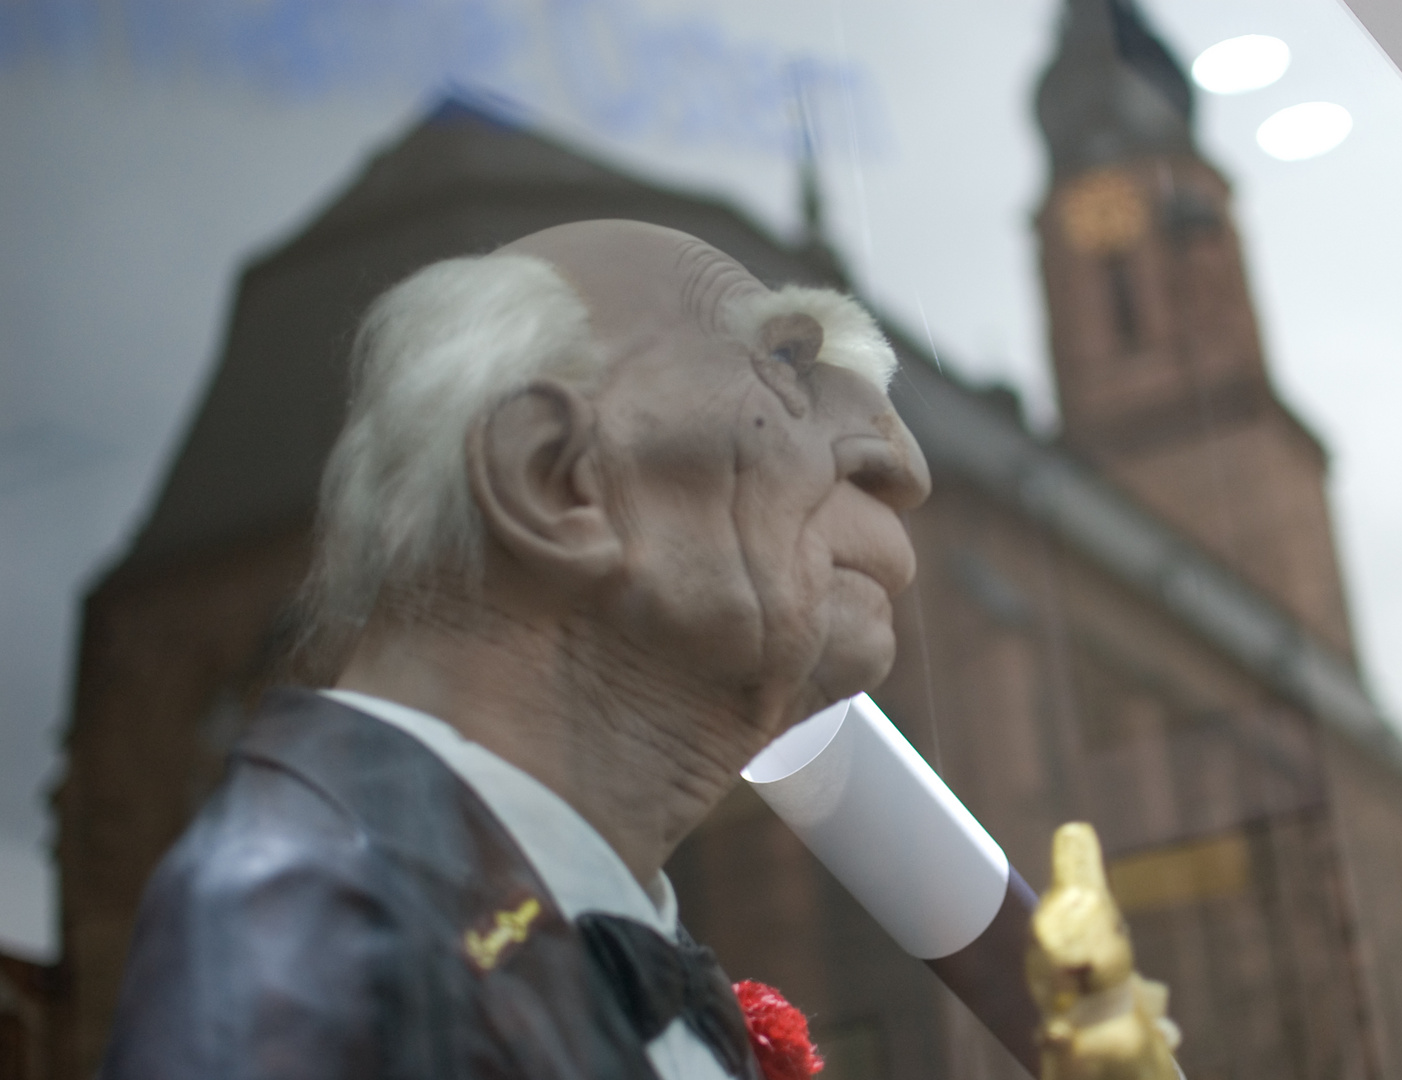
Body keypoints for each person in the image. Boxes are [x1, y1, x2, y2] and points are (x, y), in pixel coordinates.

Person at [100, 220, 931, 1080]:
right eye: (788, 366)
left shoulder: (611, 953)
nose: (906, 465)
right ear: (553, 477)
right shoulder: (308, 927)